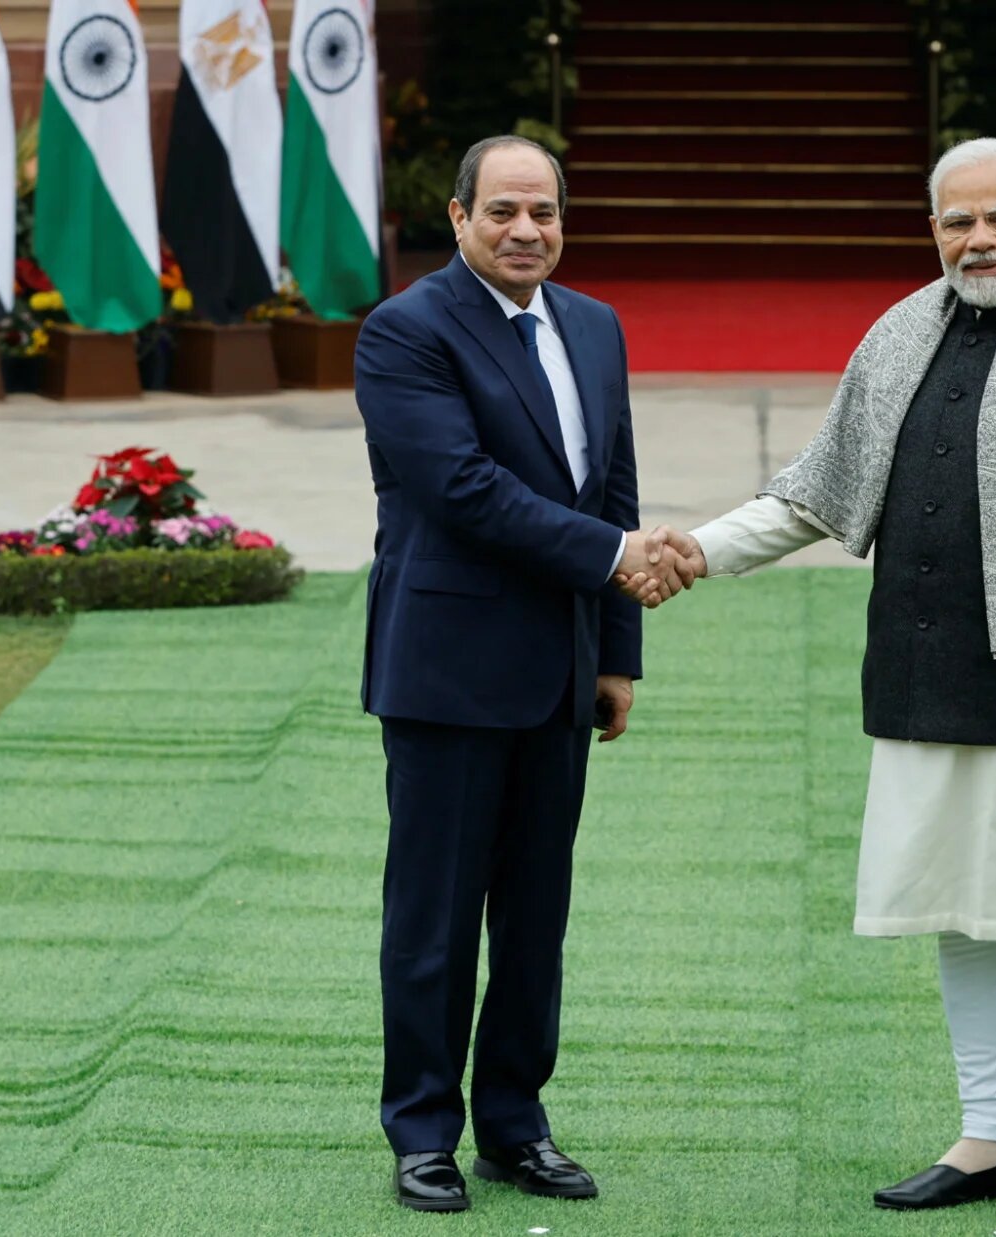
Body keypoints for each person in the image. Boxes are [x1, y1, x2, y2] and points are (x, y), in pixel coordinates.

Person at [629, 136, 996, 1232]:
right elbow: (818, 492)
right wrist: (700, 549)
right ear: (932, 231)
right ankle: (992, 1134)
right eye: (957, 221)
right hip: (924, 672)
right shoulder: (897, 336)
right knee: (960, 909)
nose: (981, 240)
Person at [351, 133, 684, 1214]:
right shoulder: (404, 331)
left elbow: (612, 482)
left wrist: (618, 651)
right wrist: (617, 555)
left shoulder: (594, 324)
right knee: (435, 921)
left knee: (535, 919)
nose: (526, 230)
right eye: (502, 211)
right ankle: (422, 1132)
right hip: (447, 674)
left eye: (543, 211)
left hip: (561, 674)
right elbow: (461, 488)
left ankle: (515, 1125)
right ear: (458, 217)